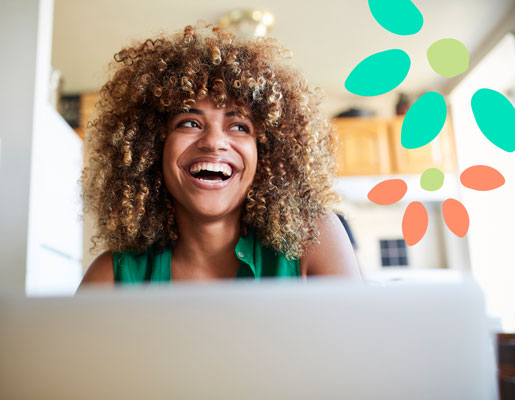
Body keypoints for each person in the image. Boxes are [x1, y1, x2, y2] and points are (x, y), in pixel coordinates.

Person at [79, 23, 360, 286]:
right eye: (190, 123)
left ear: (266, 153)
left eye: (239, 126)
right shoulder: (111, 278)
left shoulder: (314, 240)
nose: (214, 142)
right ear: (151, 147)